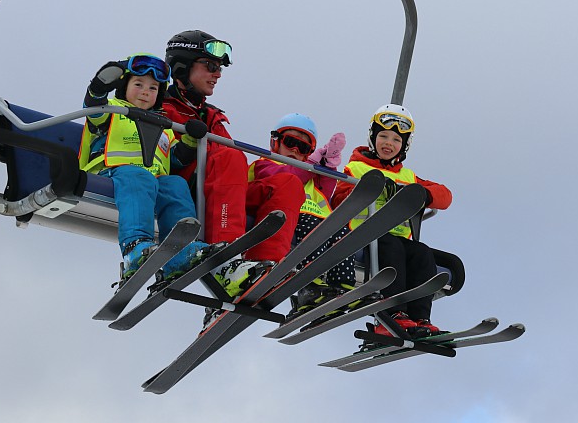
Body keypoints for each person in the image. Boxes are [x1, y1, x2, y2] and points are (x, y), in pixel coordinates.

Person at [162, 30, 304, 297]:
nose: (217, 74)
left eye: (219, 69)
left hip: (221, 191)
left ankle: (266, 267)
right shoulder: (162, 108)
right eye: (210, 66)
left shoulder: (212, 116)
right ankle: (226, 261)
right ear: (182, 66)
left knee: (287, 182)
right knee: (231, 156)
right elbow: (160, 159)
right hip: (184, 188)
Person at [79, 53, 215, 284]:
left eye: (153, 88)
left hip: (152, 180)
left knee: (175, 184)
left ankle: (179, 253)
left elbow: (176, 159)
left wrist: (191, 139)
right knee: (138, 176)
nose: (145, 92)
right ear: (124, 87)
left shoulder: (163, 125)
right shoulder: (112, 109)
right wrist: (100, 86)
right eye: (139, 84)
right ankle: (135, 246)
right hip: (113, 172)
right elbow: (93, 107)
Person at [331, 103, 452, 337]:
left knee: (422, 253)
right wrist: (368, 190)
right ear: (372, 139)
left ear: (404, 146)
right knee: (391, 247)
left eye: (396, 140)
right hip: (363, 237)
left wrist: (423, 194)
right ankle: (391, 314)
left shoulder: (407, 176)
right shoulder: (356, 168)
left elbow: (445, 196)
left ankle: (420, 318)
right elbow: (338, 199)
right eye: (383, 136)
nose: (389, 143)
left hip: (397, 237)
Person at [250, 114, 355, 320]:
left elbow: (326, 189)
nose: (296, 151)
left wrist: (328, 165)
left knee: (343, 233)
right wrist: (311, 164)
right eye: (291, 143)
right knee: (313, 227)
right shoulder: (265, 163)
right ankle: (310, 286)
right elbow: (290, 176)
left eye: (304, 149)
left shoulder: (310, 174)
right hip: (288, 218)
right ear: (276, 142)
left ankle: (341, 287)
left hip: (319, 219)